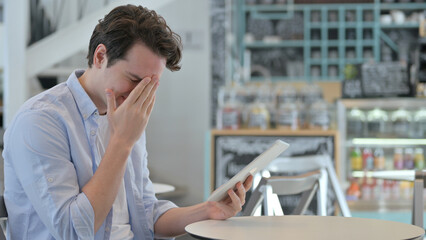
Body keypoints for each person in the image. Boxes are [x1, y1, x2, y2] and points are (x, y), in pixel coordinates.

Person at [3, 4, 253, 240]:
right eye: (134, 80)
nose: (139, 95)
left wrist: (209, 210)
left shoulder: (126, 115)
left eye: (150, 85)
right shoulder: (40, 121)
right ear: (100, 56)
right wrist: (121, 141)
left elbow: (145, 212)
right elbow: (73, 231)